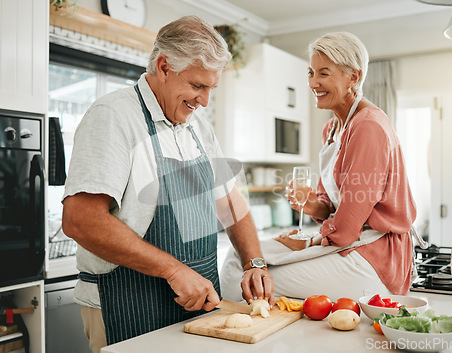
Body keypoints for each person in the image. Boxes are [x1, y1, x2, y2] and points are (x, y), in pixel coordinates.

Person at [61, 16, 274, 353]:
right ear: (163, 66)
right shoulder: (113, 116)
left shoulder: (198, 128)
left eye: (210, 89)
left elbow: (231, 202)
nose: (204, 101)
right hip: (127, 304)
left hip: (198, 306)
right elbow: (80, 220)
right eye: (197, 86)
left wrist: (254, 262)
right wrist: (173, 270)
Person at [220, 32, 417, 302]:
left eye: (324, 73)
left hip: (375, 260)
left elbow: (346, 228)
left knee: (247, 278)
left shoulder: (368, 126)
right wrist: (314, 206)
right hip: (350, 245)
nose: (313, 83)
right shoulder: (332, 128)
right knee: (242, 257)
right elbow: (332, 206)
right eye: (311, 72)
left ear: (353, 77)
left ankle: (248, 337)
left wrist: (307, 241)